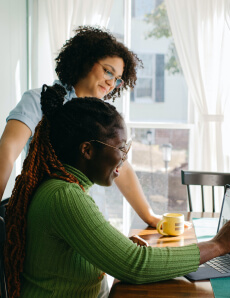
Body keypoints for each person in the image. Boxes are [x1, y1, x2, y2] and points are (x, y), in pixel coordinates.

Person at [4, 84, 230, 298]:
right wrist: (218, 245)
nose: (125, 157)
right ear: (87, 150)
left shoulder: (64, 187)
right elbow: (135, 266)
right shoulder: (64, 196)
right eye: (121, 147)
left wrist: (112, 246)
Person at [0, 26, 160, 228]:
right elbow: (7, 152)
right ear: (86, 60)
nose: (111, 83)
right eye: (108, 71)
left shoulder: (103, 116)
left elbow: (122, 168)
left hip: (93, 218)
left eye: (117, 79)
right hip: (52, 221)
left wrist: (150, 216)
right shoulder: (39, 100)